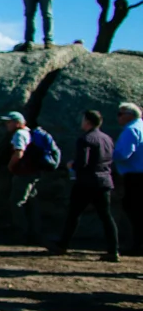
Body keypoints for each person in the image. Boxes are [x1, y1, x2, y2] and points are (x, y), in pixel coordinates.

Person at [52, 109, 120, 262]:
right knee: (106, 216)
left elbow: (83, 162)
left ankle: (62, 245)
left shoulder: (86, 139)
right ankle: (113, 249)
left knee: (74, 214)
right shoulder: (107, 138)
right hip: (104, 181)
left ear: (88, 121)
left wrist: (72, 165)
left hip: (86, 183)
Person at [0, 111, 42, 244]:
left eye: (9, 122)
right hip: (33, 172)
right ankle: (34, 231)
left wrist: (10, 166)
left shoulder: (19, 134)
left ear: (17, 123)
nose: (7, 125)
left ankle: (21, 233)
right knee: (31, 202)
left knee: (16, 202)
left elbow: (18, 153)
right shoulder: (30, 133)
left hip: (24, 173)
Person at [117, 103, 143, 256]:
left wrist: (109, 154)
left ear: (129, 115)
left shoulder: (131, 130)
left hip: (135, 176)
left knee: (134, 209)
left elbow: (123, 154)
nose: (118, 117)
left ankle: (137, 244)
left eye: (120, 114)